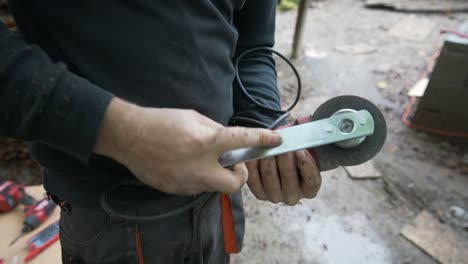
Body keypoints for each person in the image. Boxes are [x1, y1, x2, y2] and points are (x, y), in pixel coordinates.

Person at [0, 1, 321, 263]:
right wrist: (122, 133)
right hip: (110, 217)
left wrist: (264, 120)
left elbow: (253, 46)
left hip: (218, 199)